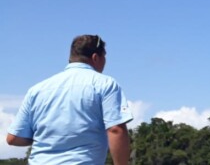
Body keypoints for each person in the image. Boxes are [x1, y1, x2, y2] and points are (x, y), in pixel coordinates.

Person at [6, 35, 133, 164]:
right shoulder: (105, 84)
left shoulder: (36, 90)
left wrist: (52, 137)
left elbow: (13, 138)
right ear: (95, 57)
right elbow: (116, 130)